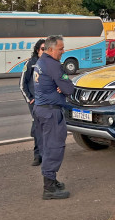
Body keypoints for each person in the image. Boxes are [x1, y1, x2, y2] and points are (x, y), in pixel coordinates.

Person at [33, 35, 75, 200]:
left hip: (41, 109)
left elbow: (61, 86)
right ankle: (49, 187)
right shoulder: (53, 65)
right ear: (50, 49)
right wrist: (63, 86)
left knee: (46, 146)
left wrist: (60, 86)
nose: (63, 51)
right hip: (51, 112)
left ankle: (52, 180)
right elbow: (69, 88)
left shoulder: (41, 62)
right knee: (54, 147)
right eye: (60, 49)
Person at [19, 39, 45, 166]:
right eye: (42, 49)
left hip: (48, 102)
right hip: (35, 102)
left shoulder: (51, 63)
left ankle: (46, 154)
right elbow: (22, 84)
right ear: (37, 50)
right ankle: (38, 155)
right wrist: (30, 99)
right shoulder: (30, 63)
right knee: (38, 126)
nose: (44, 51)